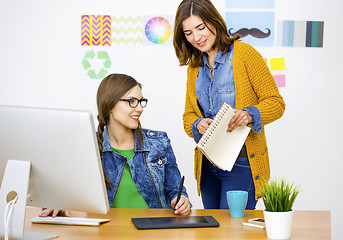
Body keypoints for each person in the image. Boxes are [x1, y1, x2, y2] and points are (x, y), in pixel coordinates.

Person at [173, 0, 285, 210]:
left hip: (243, 164)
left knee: (233, 232)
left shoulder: (244, 54)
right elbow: (187, 115)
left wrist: (249, 115)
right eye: (188, 33)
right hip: (208, 167)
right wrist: (197, 124)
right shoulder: (194, 67)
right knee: (213, 230)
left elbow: (276, 103)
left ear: (214, 22)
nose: (196, 38)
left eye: (200, 27)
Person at [40, 73, 191, 217]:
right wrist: (59, 201)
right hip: (108, 232)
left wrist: (182, 199)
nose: (139, 108)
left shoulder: (159, 142)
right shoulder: (88, 147)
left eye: (141, 101)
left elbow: (175, 190)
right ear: (110, 104)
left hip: (153, 230)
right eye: (131, 101)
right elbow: (67, 189)